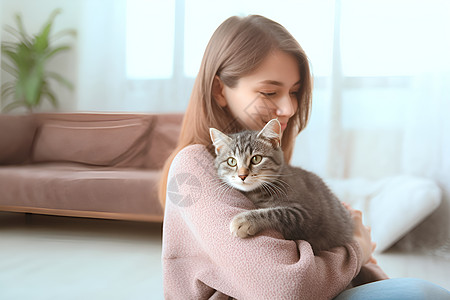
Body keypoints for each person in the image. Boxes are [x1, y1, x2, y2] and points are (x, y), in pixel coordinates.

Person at [160, 15, 450, 299]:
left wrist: (363, 257)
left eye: (295, 92)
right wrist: (358, 249)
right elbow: (286, 289)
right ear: (219, 90)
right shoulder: (194, 167)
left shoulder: (277, 170)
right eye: (270, 91)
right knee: (421, 293)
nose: (288, 108)